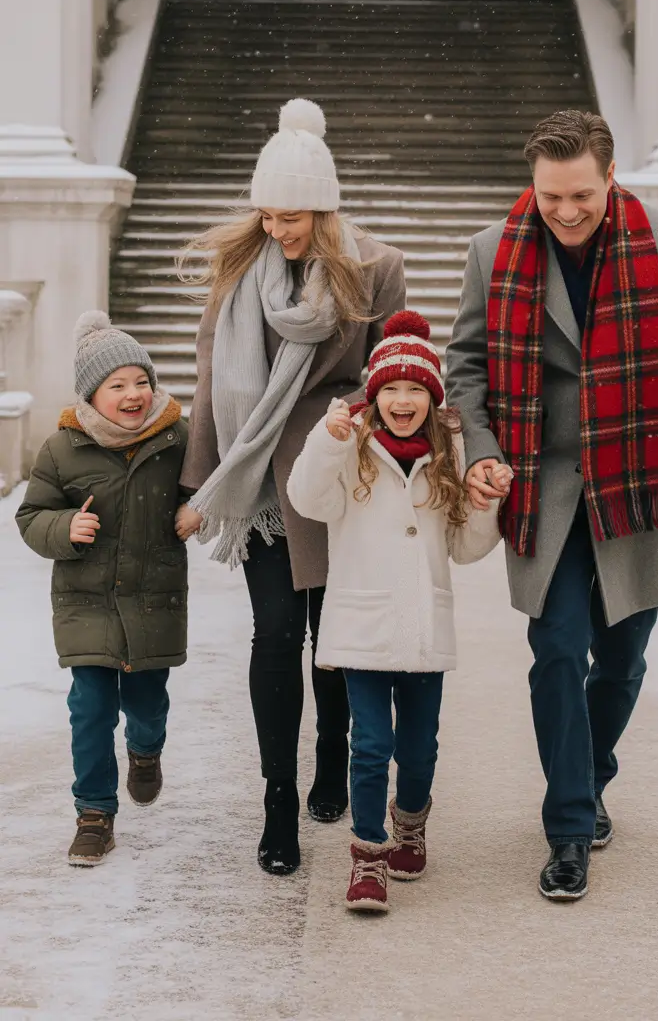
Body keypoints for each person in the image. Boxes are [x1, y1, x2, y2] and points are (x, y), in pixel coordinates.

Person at [446, 109, 658, 902]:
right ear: (531, 184)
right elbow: (465, 366)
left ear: (610, 177)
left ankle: (590, 771)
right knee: (558, 651)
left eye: (581, 195)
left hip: (637, 479)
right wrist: (481, 449)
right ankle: (569, 827)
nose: (566, 212)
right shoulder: (490, 251)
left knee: (623, 660)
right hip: (541, 487)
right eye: (551, 198)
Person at [174, 98, 405, 876]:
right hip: (260, 481)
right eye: (267, 215)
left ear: (324, 209)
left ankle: (332, 758)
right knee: (275, 632)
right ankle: (278, 799)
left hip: (337, 473)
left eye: (292, 217)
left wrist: (350, 420)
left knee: (332, 637)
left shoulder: (375, 267)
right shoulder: (240, 270)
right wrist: (200, 483)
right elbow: (211, 377)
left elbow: (390, 373)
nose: (277, 230)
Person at [288, 310, 510, 912]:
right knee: (370, 745)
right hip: (363, 627)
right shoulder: (350, 451)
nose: (403, 401)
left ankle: (410, 823)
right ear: (374, 395)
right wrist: (327, 440)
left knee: (418, 748)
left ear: (433, 398)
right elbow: (306, 499)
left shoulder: (447, 456)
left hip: (423, 628)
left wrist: (486, 503)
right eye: (391, 389)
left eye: (416, 389)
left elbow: (465, 548)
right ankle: (368, 854)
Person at [16, 312, 188, 867]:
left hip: (153, 599)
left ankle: (145, 749)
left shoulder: (176, 438)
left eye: (141, 381)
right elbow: (31, 516)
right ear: (92, 395)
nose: (133, 394)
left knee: (147, 703)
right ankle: (93, 813)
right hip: (86, 602)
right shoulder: (62, 448)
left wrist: (197, 509)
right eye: (117, 385)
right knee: (90, 709)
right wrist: (64, 527)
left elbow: (206, 485)